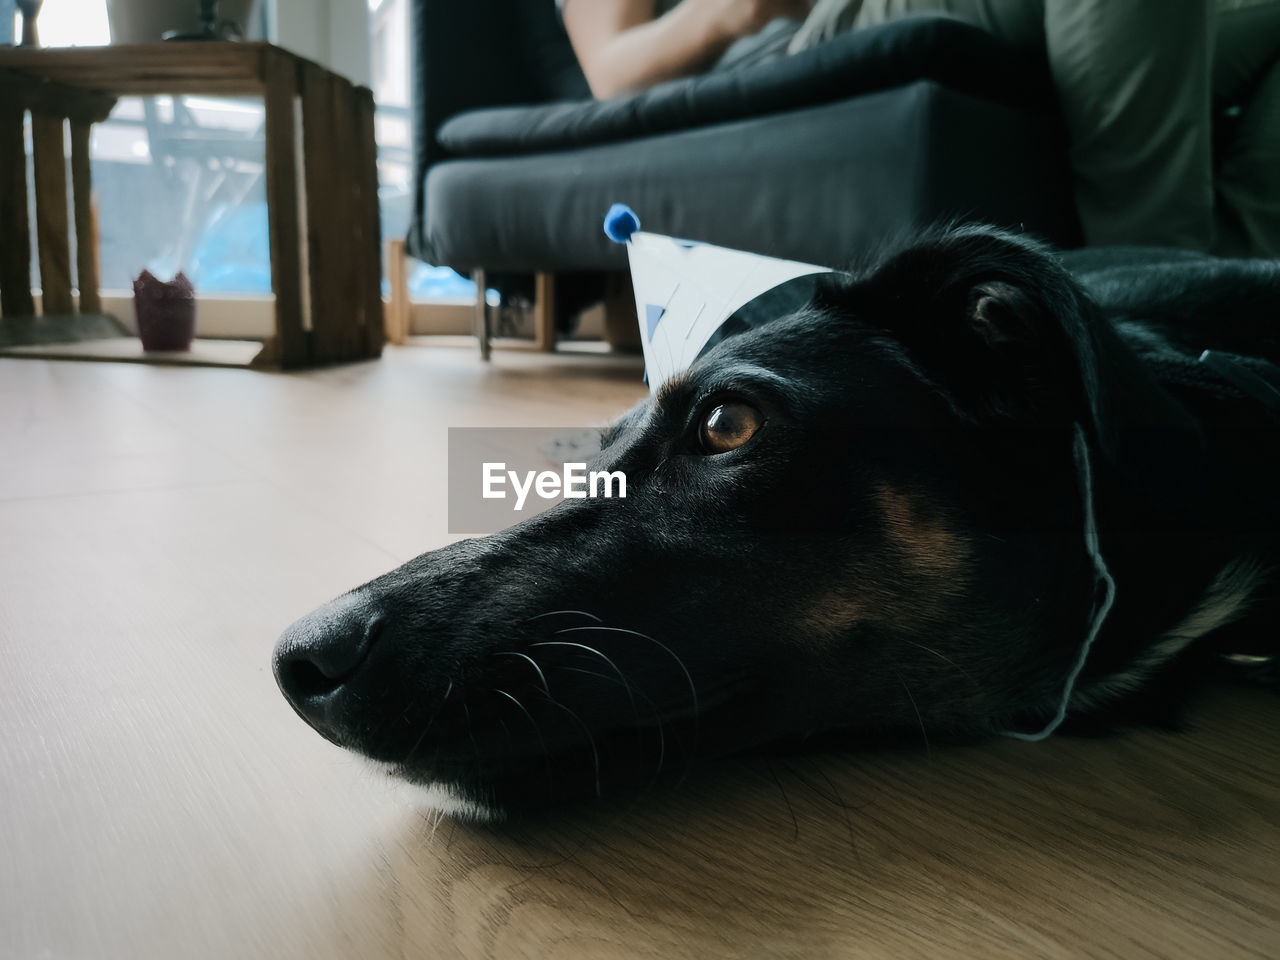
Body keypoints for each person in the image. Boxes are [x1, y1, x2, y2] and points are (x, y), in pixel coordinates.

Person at [560, 0, 1280, 257]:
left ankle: (1240, 280)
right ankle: (1153, 285)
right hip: (796, 38)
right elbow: (610, 71)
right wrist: (727, 10)